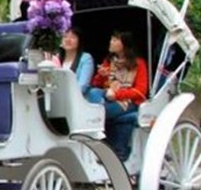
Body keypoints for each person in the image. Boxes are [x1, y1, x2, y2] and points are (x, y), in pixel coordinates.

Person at [87, 31, 148, 161]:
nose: (111, 42)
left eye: (115, 40)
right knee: (93, 93)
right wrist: (101, 76)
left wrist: (117, 94)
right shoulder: (109, 61)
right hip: (106, 97)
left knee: (100, 107)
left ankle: (98, 134)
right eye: (111, 39)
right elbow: (96, 84)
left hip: (128, 102)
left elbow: (141, 91)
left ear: (124, 44)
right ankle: (95, 125)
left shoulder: (139, 64)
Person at [58, 26, 94, 96]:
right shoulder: (56, 58)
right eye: (65, 37)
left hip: (76, 99)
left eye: (73, 37)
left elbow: (83, 86)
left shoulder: (86, 58)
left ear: (79, 41)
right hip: (57, 98)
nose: (68, 40)